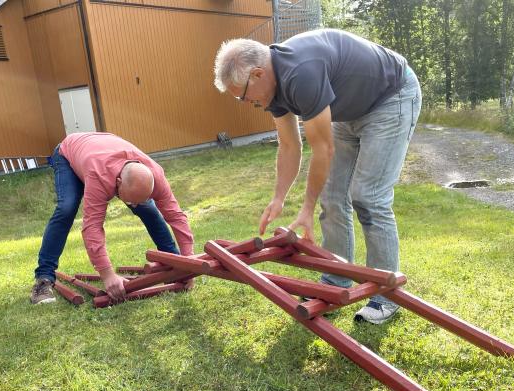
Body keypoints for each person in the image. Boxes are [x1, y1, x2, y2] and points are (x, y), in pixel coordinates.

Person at [213, 28, 421, 324]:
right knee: (333, 197)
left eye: (243, 96)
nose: (246, 103)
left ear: (258, 74)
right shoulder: (273, 86)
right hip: (348, 110)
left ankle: (385, 296)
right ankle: (336, 282)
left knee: (368, 196)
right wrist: (278, 197)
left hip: (391, 97)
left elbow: (323, 150)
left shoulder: (301, 74)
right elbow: (289, 145)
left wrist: (307, 208)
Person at [31, 132, 194, 304]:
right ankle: (44, 279)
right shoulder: (99, 177)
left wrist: (188, 264)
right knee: (67, 208)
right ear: (118, 182)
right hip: (69, 153)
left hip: (98, 149)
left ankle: (173, 264)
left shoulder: (156, 175)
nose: (134, 205)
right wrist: (108, 275)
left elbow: (176, 217)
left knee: (149, 209)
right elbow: (92, 227)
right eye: (131, 201)